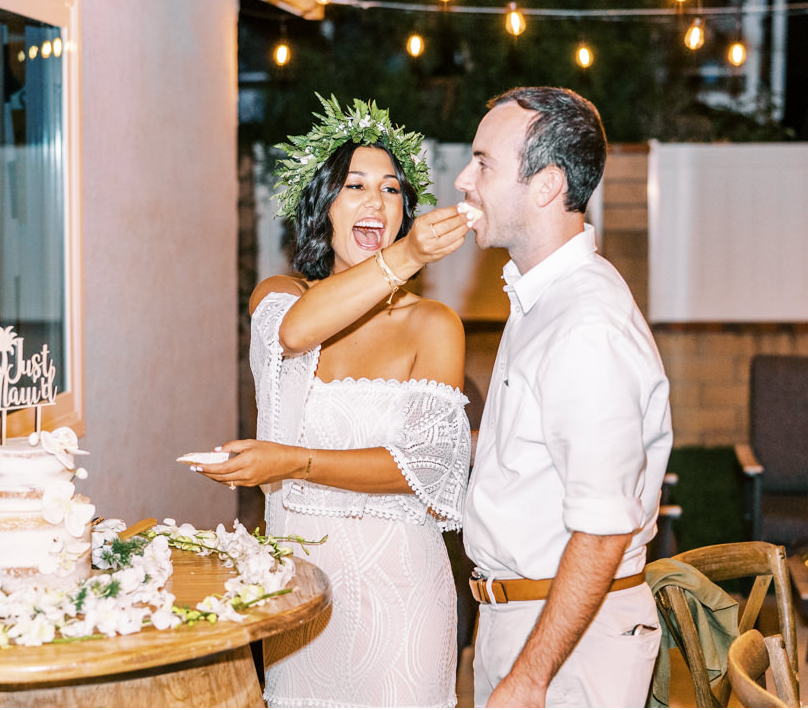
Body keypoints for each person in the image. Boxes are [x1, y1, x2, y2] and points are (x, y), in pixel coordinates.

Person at [192, 94, 473, 707]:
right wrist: (409, 257)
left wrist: (293, 462)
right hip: (301, 592)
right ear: (323, 206)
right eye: (355, 185)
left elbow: (424, 469)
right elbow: (296, 333)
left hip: (402, 596)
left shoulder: (434, 324)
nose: (377, 200)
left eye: (393, 189)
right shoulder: (281, 296)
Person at [455, 87, 673, 708]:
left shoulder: (585, 324)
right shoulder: (542, 300)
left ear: (547, 185)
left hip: (566, 643)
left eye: (484, 163)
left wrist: (529, 677)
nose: (464, 179)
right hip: (528, 620)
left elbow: (603, 530)